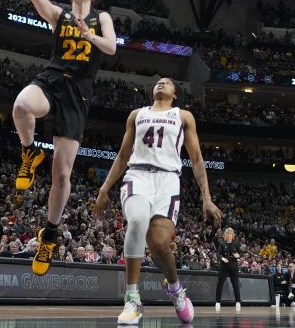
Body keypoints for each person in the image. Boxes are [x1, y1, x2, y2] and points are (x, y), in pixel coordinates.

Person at [9, 0, 117, 276]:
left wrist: (90, 35)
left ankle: (50, 235)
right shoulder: (61, 14)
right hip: (53, 79)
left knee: (62, 174)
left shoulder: (102, 18)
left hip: (78, 92)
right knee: (22, 106)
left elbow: (112, 48)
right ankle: (29, 152)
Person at [94, 77, 223, 325]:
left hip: (168, 180)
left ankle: (175, 289)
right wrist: (104, 188)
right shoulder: (136, 114)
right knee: (138, 221)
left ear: (175, 94)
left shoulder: (183, 116)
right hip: (138, 174)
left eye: (168, 82)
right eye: (158, 81)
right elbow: (123, 155)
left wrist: (206, 197)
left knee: (158, 243)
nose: (161, 83)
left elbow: (196, 159)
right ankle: (132, 299)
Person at [215, 227, 242, 311]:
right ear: (225, 235)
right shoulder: (222, 243)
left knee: (235, 285)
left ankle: (238, 302)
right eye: (228, 234)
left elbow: (240, 255)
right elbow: (218, 254)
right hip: (224, 266)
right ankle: (217, 302)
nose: (229, 235)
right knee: (220, 284)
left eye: (231, 234)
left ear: (232, 235)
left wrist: (238, 256)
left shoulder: (236, 244)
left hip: (233, 266)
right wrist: (222, 258)